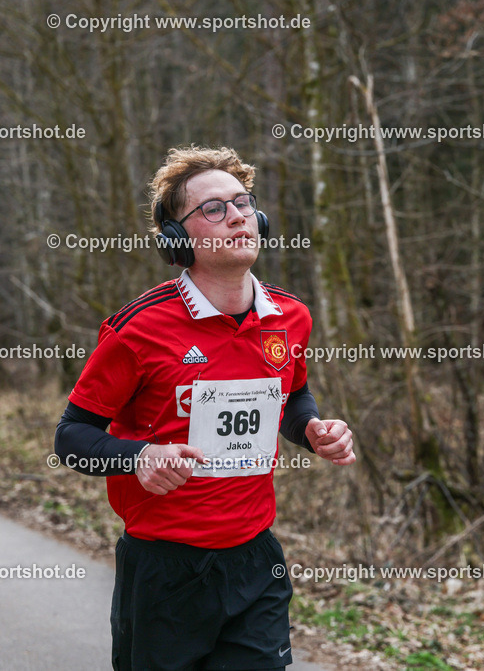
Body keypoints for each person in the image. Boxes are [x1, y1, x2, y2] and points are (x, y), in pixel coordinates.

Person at [54, 145, 355, 671]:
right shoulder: (139, 328)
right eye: (213, 209)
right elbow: (72, 435)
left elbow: (291, 398)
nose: (237, 216)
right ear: (177, 240)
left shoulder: (291, 316)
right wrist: (139, 457)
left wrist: (312, 428)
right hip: (163, 570)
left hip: (256, 560)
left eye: (243, 203)